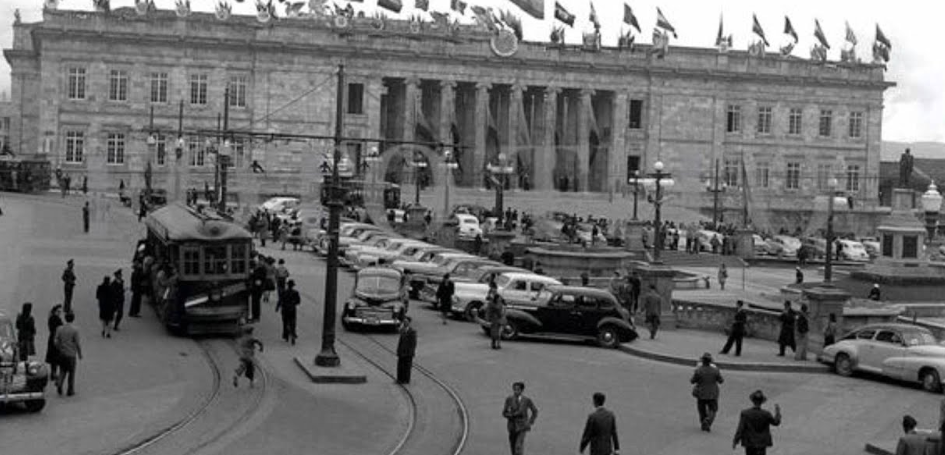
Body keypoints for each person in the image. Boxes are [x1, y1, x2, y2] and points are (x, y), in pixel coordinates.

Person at [733, 390, 782, 455]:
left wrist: (735, 441)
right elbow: (776, 422)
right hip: (761, 444)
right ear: (761, 402)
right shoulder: (766, 414)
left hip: (749, 443)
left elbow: (740, 429)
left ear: (753, 401)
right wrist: (777, 412)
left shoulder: (745, 414)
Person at [503, 381, 539, 455]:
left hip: (522, 426)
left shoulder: (526, 400)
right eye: (514, 389)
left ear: (522, 390)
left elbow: (535, 411)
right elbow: (504, 412)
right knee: (513, 447)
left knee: (518, 446)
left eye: (518, 389)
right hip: (512, 426)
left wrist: (530, 421)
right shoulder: (509, 399)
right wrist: (510, 415)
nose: (516, 391)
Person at [691, 352, 724, 432]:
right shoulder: (715, 370)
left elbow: (692, 381)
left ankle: (703, 421)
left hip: (701, 392)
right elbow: (721, 381)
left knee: (701, 409)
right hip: (713, 393)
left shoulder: (699, 370)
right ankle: (708, 420)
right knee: (713, 409)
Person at [54, 311, 82, 396]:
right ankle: (70, 390)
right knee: (71, 372)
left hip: (62, 353)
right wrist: (80, 353)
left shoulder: (59, 328)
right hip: (71, 354)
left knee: (62, 370)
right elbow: (77, 343)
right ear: (73, 319)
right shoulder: (75, 330)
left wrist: (59, 348)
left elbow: (55, 341)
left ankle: (59, 383)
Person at [276, 279, 301, 344]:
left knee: (285, 322)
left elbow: (280, 300)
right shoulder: (296, 293)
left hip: (285, 309)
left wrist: (277, 307)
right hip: (292, 309)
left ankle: (285, 334)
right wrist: (293, 303)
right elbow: (298, 301)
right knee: (293, 322)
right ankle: (293, 333)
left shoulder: (284, 292)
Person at [485, 280, 507, 349]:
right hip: (497, 316)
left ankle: (495, 343)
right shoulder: (495, 295)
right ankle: (497, 344)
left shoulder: (493, 294)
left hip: (495, 316)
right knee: (498, 331)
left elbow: (488, 298)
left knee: (496, 331)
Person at [396, 316, 417, 384]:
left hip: (408, 353)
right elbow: (400, 341)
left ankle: (406, 380)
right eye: (404, 322)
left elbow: (413, 344)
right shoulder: (402, 330)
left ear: (409, 323)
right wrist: (398, 350)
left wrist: (411, 352)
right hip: (401, 352)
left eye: (406, 322)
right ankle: (399, 379)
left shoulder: (412, 331)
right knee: (400, 366)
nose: (405, 323)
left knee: (407, 367)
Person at [46, 304, 64, 381]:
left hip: (52, 338)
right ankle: (54, 373)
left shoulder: (51, 318)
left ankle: (53, 373)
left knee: (53, 357)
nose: (60, 313)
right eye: (58, 311)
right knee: (56, 357)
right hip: (56, 338)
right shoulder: (55, 319)